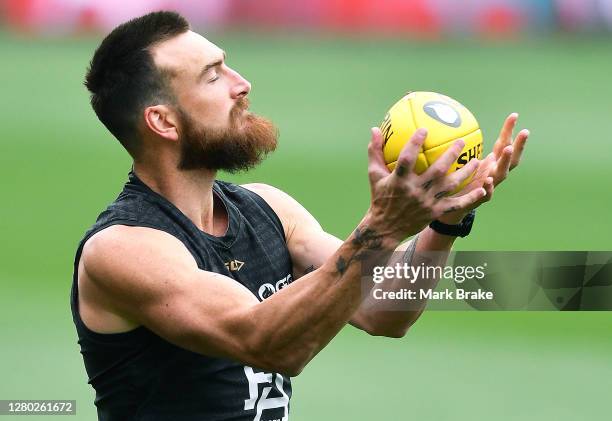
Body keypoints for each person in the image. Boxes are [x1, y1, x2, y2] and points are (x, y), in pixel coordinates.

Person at [71, 11, 529, 421]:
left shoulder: (268, 208)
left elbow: (384, 310)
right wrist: (381, 229)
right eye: (213, 77)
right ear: (163, 122)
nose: (241, 83)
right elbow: (268, 343)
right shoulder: (123, 248)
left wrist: (445, 221)